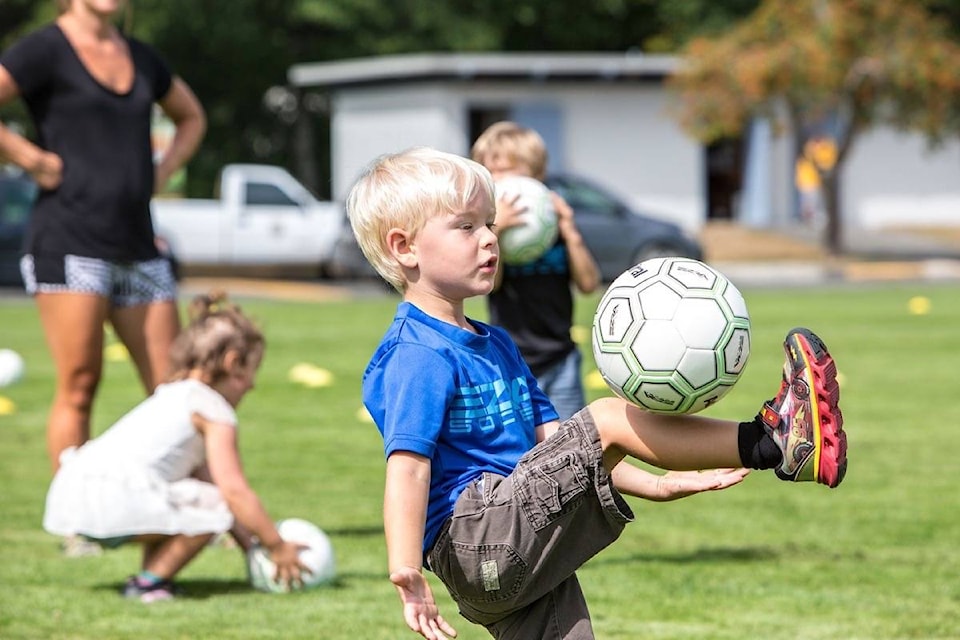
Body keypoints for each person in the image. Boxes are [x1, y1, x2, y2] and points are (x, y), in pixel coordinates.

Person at [346, 147, 847, 640]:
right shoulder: (417, 353)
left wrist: (654, 484)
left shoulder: (496, 343)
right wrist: (405, 569)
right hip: (478, 535)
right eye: (466, 226)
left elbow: (560, 443)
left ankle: (778, 442)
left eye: (490, 224)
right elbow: (408, 467)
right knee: (606, 415)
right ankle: (775, 441)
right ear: (404, 247)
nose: (489, 240)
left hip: (509, 548)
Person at [0, 0, 207, 481]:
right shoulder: (43, 50)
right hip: (67, 241)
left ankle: (197, 508)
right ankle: (77, 520)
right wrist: (29, 158)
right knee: (79, 384)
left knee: (177, 388)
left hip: (138, 244)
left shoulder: (141, 57)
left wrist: (166, 168)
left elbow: (191, 117)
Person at [42, 292, 309, 603]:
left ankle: (151, 575)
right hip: (111, 502)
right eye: (251, 371)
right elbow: (233, 492)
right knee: (216, 505)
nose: (252, 385)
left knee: (187, 497)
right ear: (232, 362)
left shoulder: (171, 394)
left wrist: (251, 548)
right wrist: (276, 546)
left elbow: (208, 483)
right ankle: (149, 583)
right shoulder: (213, 411)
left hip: (75, 497)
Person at [471, 121, 600, 421]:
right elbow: (491, 284)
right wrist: (498, 228)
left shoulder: (553, 223)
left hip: (561, 356)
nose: (502, 182)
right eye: (493, 174)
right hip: (511, 359)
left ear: (537, 176)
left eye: (510, 171)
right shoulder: (488, 234)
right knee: (519, 447)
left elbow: (589, 284)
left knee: (573, 444)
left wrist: (571, 232)